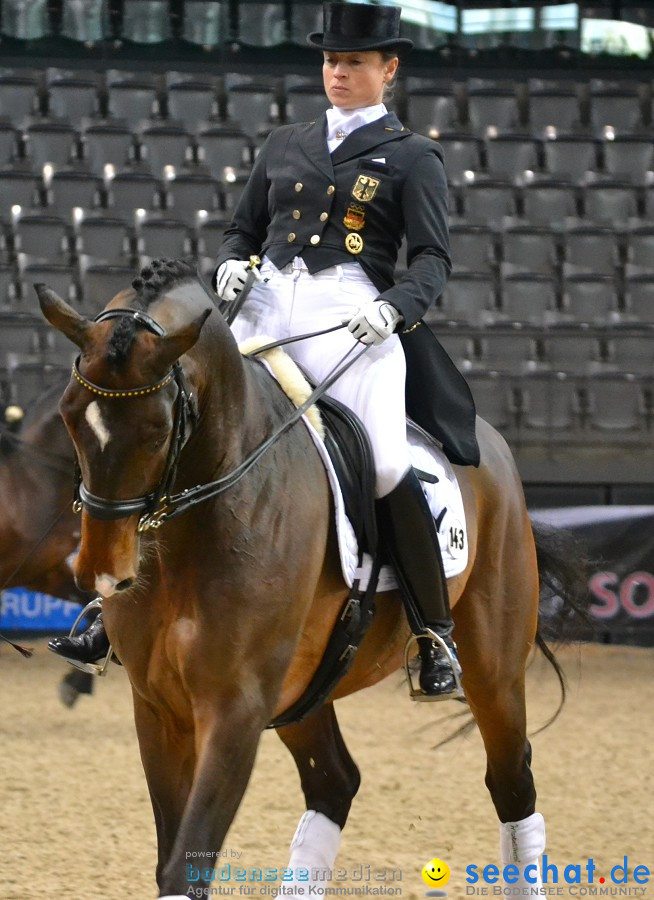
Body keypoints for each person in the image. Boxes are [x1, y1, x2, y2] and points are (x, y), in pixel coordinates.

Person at [50, 1, 480, 702]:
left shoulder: (413, 156)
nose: (338, 73)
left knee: (385, 463)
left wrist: (393, 308)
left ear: (388, 69)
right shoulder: (286, 141)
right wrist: (232, 264)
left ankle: (434, 633)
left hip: (352, 316)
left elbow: (432, 259)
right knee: (184, 435)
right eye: (331, 61)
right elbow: (241, 228)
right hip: (265, 307)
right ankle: (111, 602)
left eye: (354, 63)